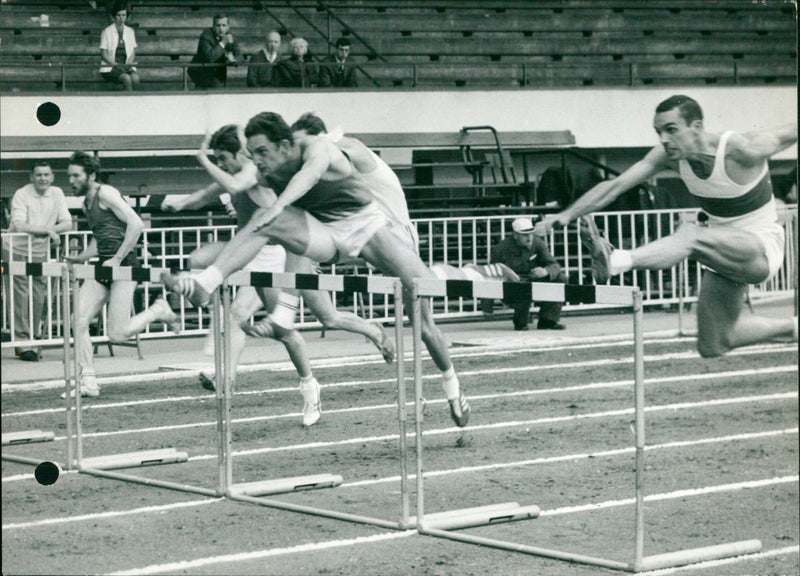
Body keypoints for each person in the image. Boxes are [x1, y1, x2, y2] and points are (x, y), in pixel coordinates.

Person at [161, 112, 470, 427]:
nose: (257, 161)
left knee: (426, 307)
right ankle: (208, 285)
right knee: (269, 220)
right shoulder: (267, 166)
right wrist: (189, 201)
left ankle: (452, 386)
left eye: (262, 153)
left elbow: (309, 174)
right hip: (325, 233)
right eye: (252, 154)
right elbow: (236, 184)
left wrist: (281, 203)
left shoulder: (323, 148)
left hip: (371, 228)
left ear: (287, 144)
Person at [535, 94, 798, 357]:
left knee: (690, 234)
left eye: (671, 130)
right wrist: (567, 215)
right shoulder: (667, 156)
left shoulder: (742, 149)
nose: (663, 139)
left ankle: (616, 260)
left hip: (761, 247)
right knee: (715, 343)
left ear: (696, 127)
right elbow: (614, 186)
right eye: (658, 131)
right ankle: (794, 328)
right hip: (721, 247)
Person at [64, 151, 180, 398]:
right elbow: (101, 236)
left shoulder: (106, 193)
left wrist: (117, 259)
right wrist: (82, 257)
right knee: (78, 319)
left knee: (116, 334)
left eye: (76, 175)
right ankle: (88, 381)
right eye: (69, 176)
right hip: (104, 265)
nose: (71, 181)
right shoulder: (86, 202)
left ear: (91, 175)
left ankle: (157, 310)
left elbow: (136, 224)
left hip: (124, 264)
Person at [2, 162, 72, 361]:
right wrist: (48, 231)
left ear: (52, 177)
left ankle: (32, 338)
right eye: (39, 175)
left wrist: (50, 231)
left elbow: (67, 222)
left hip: (39, 251)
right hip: (16, 249)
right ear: (31, 177)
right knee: (20, 296)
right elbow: (18, 223)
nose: (42, 178)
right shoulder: (22, 194)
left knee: (38, 294)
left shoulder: (57, 193)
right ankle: (23, 344)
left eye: (46, 174)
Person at [487, 217, 566, 331]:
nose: (529, 238)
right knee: (523, 286)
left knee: (560, 278)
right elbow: (491, 274)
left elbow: (554, 265)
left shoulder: (538, 243)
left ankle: (548, 320)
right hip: (511, 286)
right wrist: (487, 307)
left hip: (532, 281)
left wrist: (546, 271)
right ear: (515, 235)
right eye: (525, 235)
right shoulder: (501, 249)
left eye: (531, 234)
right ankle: (520, 322)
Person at [188, 14, 243, 90]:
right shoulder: (206, 36)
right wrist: (223, 43)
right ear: (213, 27)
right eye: (218, 25)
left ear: (228, 27)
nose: (221, 29)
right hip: (202, 75)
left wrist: (234, 60)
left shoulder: (231, 37)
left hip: (218, 76)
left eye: (224, 25)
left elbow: (240, 56)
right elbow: (210, 57)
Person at [99, 1, 140, 91]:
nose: (121, 18)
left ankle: (134, 101)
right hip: (111, 66)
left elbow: (133, 52)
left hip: (126, 65)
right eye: (118, 15)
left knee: (136, 79)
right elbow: (103, 54)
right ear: (114, 16)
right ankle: (127, 102)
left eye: (123, 15)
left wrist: (128, 64)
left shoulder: (130, 31)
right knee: (126, 79)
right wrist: (115, 65)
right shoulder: (106, 32)